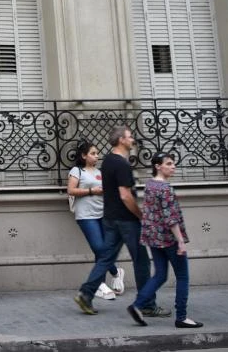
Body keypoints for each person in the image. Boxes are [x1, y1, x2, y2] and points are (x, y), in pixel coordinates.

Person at [74, 126, 168, 317]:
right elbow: (125, 195)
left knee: (106, 257)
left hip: (110, 218)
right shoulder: (122, 165)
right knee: (141, 261)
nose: (132, 139)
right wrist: (140, 215)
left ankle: (86, 293)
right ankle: (147, 305)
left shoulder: (108, 161)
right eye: (129, 136)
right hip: (127, 220)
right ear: (121, 140)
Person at [127, 153, 203, 329]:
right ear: (157, 166)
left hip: (154, 238)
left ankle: (137, 305)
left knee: (160, 275)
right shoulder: (165, 189)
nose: (173, 166)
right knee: (182, 276)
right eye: (168, 163)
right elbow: (171, 219)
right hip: (169, 239)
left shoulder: (150, 185)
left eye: (173, 163)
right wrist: (181, 241)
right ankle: (182, 317)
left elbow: (151, 212)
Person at [67, 141, 126, 300]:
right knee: (99, 248)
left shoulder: (100, 172)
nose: (96, 156)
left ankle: (100, 285)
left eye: (97, 153)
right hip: (85, 215)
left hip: (103, 214)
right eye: (93, 153)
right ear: (84, 155)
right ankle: (114, 272)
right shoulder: (77, 170)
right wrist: (92, 191)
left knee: (103, 249)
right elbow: (71, 190)